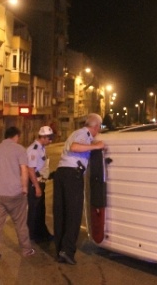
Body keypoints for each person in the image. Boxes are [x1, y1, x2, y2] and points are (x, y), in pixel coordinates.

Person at [53, 113, 105, 265]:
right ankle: (67, 251)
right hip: (72, 176)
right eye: (99, 128)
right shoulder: (84, 134)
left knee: (61, 214)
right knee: (74, 214)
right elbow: (75, 147)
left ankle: (60, 250)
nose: (99, 131)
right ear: (96, 126)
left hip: (62, 174)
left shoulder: (77, 133)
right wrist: (96, 146)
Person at [0, 126, 35, 262]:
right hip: (15, 194)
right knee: (20, 223)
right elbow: (24, 170)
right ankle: (26, 250)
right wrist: (25, 187)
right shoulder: (20, 149)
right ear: (16, 136)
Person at [26, 126, 54, 242]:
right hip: (34, 184)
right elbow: (30, 169)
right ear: (42, 137)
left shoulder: (41, 148)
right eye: (49, 138)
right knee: (34, 210)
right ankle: (32, 235)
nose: (51, 140)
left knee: (41, 210)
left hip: (40, 182)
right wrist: (37, 187)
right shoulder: (34, 149)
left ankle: (42, 233)